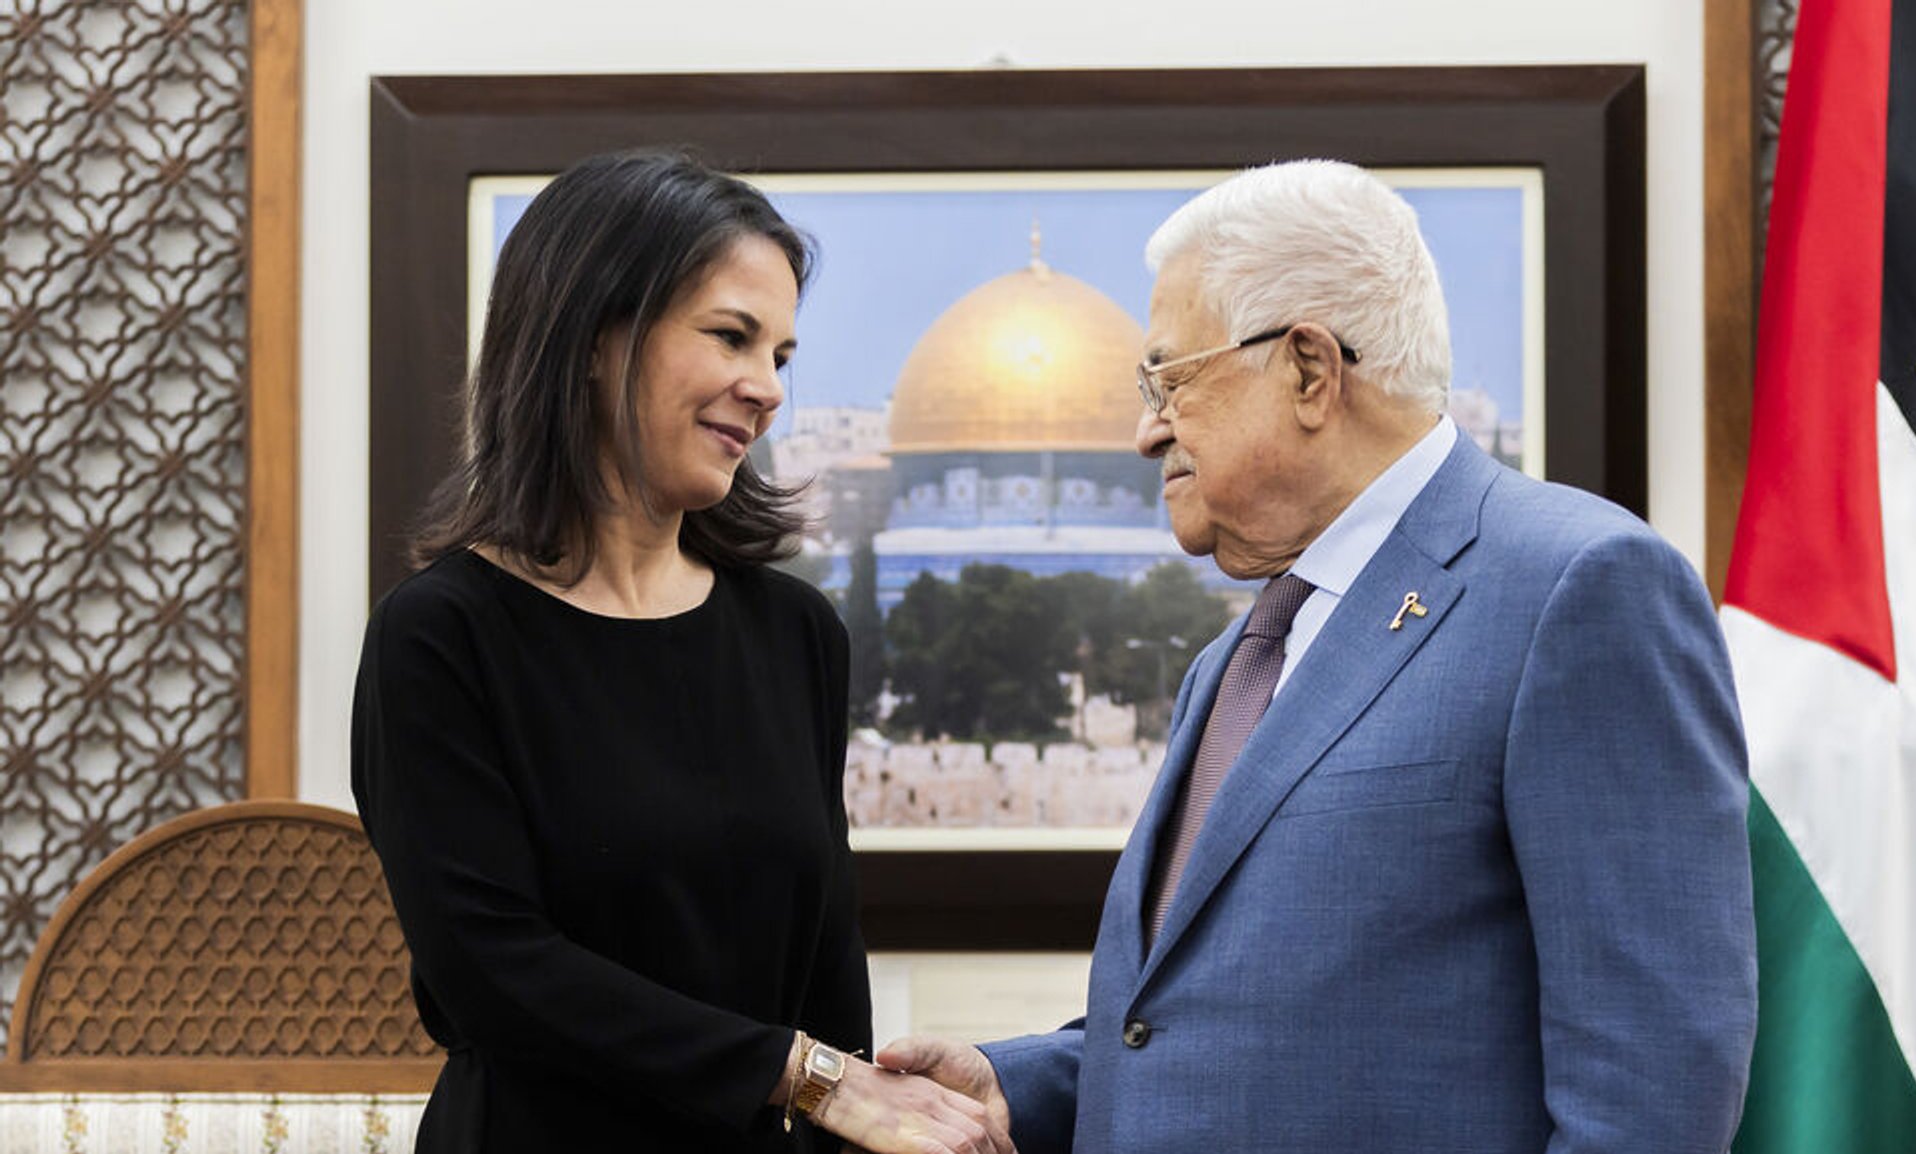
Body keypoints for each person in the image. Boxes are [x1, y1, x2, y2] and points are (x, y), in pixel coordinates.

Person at [879, 160, 1757, 1152]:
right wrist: (1010, 1084)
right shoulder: (1239, 655)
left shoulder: (1577, 589)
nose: (1142, 430)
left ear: (1305, 367)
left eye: (1167, 378)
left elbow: (1650, 1093)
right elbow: (1211, 1030)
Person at [351, 149, 1008, 1154]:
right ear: (591, 337)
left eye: (781, 355)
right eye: (731, 336)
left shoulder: (795, 633)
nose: (767, 388)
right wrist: (805, 1076)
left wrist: (850, 1105)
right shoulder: (440, 635)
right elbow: (491, 969)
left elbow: (828, 964)